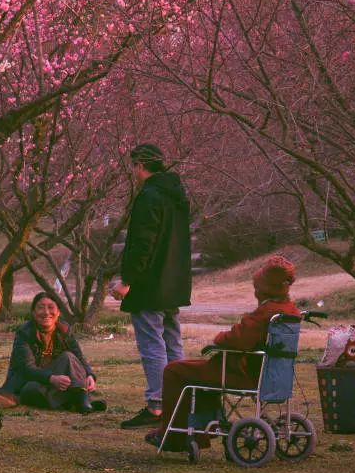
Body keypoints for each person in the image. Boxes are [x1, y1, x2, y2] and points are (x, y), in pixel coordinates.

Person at [144, 255, 301, 451]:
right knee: (196, 372)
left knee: (174, 371)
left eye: (256, 287)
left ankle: (174, 437)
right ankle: (199, 434)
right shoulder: (290, 310)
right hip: (270, 375)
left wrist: (219, 337)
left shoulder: (266, 312)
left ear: (263, 288)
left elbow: (237, 339)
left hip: (243, 374)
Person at [111, 143, 192, 429]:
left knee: (152, 346)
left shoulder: (149, 197)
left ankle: (157, 405)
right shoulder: (176, 196)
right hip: (172, 285)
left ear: (140, 165)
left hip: (150, 285)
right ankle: (180, 402)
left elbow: (142, 243)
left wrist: (127, 281)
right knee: (173, 344)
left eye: (134, 166)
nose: (133, 173)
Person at [0, 291, 104, 413]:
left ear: (58, 312)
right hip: (29, 381)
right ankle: (77, 401)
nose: (46, 312)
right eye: (40, 308)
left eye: (51, 307)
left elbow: (78, 357)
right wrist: (51, 378)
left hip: (54, 379)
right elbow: (27, 369)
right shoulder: (24, 333)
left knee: (69, 357)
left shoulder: (64, 330)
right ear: (33, 312)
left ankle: (80, 401)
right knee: (32, 390)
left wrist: (90, 375)